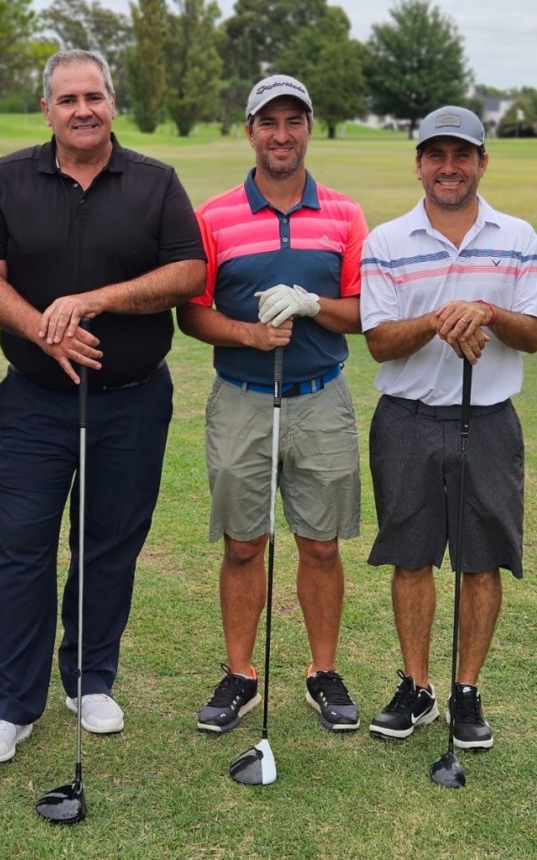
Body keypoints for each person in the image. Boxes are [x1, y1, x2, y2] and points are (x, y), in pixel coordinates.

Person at [0, 49, 206, 765]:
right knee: (24, 546)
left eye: (94, 96)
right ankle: (9, 705)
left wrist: (93, 301)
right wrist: (45, 328)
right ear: (47, 110)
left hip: (131, 404)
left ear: (112, 103)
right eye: (67, 99)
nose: (82, 110)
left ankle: (89, 678)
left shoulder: (155, 182)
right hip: (36, 402)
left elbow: (189, 271)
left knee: (108, 545)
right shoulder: (11, 177)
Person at [176, 75, 367, 734]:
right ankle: (240, 674)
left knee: (320, 546)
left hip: (319, 397)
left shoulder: (343, 214)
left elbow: (366, 312)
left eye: (293, 122)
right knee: (242, 546)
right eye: (268, 122)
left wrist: (315, 305)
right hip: (242, 399)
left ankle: (322, 672)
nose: (281, 135)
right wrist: (250, 334)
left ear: (308, 128)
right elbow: (192, 315)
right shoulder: (215, 216)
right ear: (250, 130)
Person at [360, 106, 537, 749]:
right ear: (418, 163)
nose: (449, 168)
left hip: (490, 419)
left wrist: (486, 310)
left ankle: (466, 692)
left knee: (482, 561)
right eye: (436, 155)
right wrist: (445, 318)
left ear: (481, 162)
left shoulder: (519, 235)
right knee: (411, 558)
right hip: (407, 420)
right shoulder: (387, 240)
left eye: (461, 155)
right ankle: (417, 687)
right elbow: (381, 342)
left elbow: (532, 335)